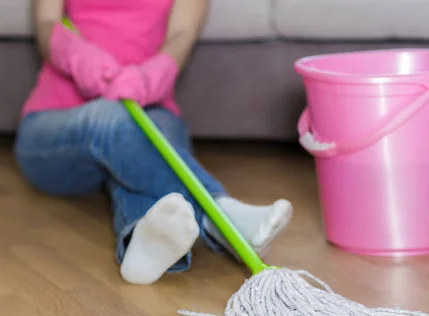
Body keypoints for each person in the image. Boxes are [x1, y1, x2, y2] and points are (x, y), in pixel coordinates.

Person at [14, 0, 292, 285]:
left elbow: (181, 34)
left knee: (144, 147)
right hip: (55, 130)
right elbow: (46, 21)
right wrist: (73, 53)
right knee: (118, 121)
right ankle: (218, 214)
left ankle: (141, 243)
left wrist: (154, 74)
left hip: (151, 111)